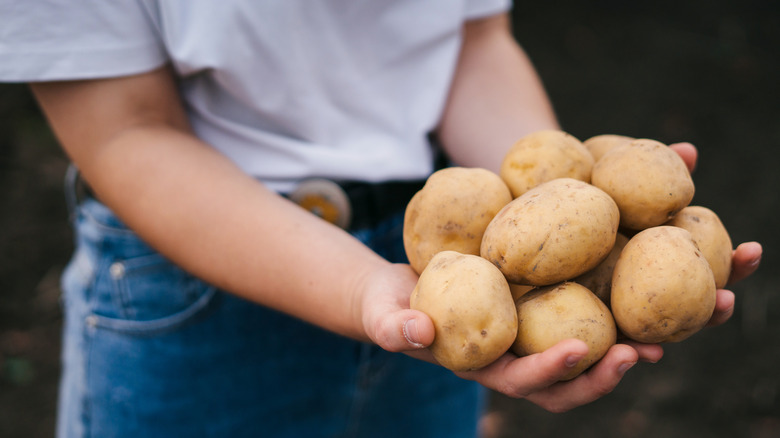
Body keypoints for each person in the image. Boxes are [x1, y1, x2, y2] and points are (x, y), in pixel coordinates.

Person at [0, 1, 762, 437]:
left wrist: (564, 202)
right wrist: (360, 289)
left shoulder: (469, 280)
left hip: (431, 262)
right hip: (194, 296)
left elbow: (470, 42)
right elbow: (124, 131)